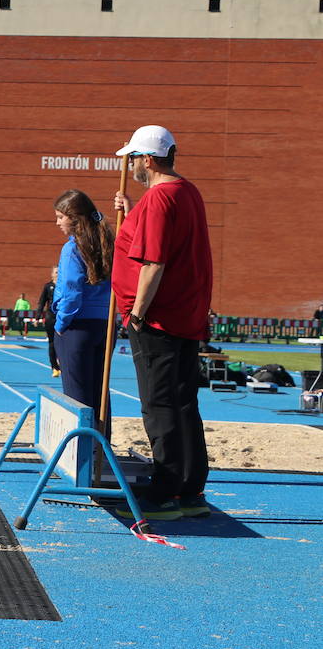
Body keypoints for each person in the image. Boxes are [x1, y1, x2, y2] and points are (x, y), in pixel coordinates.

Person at [110, 125, 213, 521]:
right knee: (184, 402)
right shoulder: (186, 191)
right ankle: (191, 489)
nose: (131, 164)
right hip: (184, 315)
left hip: (158, 319)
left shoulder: (159, 199)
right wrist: (132, 209)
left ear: (148, 160)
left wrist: (137, 313)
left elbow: (154, 262)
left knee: (160, 404)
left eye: (134, 158)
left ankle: (166, 490)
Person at [51, 189, 113, 409]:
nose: (57, 223)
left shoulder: (72, 248)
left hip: (77, 326)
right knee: (100, 393)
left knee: (77, 395)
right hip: (105, 325)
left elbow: (71, 292)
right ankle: (100, 441)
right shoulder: (107, 243)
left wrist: (60, 325)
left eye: (60, 217)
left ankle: (82, 443)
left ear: (75, 219)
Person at [36, 266, 59, 376]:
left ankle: (62, 363)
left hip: (62, 317)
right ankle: (54, 367)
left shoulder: (64, 285)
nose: (58, 273)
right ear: (52, 274)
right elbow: (41, 302)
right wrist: (37, 317)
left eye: (60, 272)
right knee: (52, 343)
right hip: (51, 317)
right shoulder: (48, 286)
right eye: (56, 272)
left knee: (64, 342)